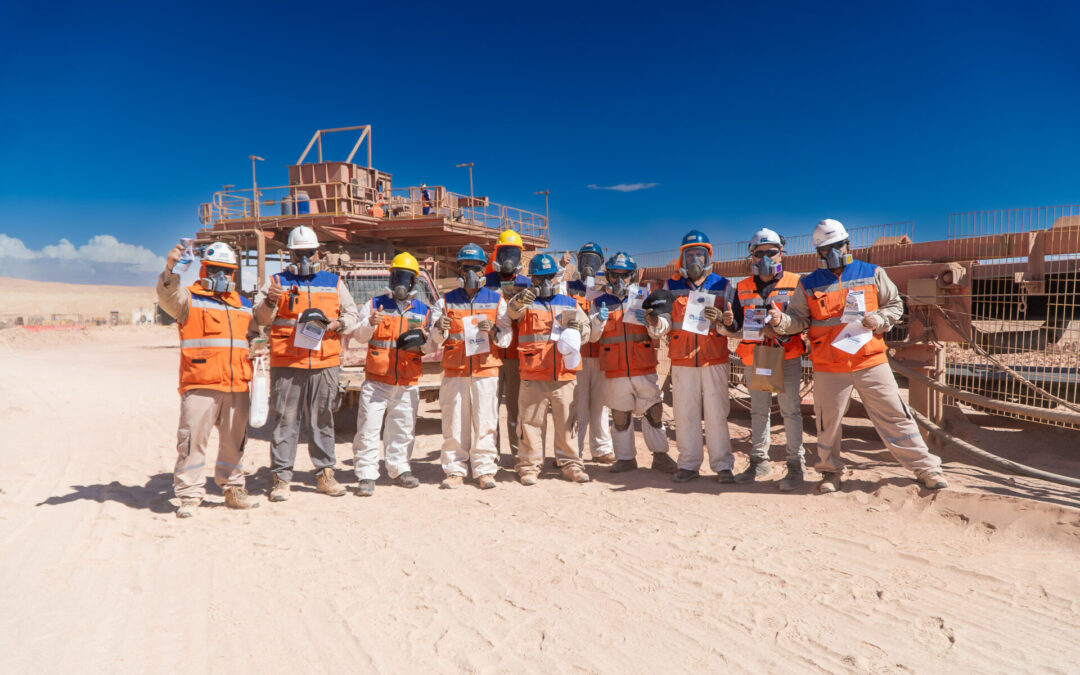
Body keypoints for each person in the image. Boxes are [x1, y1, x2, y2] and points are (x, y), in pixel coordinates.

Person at [767, 219, 948, 493]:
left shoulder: (872, 272)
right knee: (828, 423)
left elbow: (895, 304)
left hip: (870, 361)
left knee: (896, 416)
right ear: (819, 252)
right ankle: (831, 473)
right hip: (829, 365)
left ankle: (927, 469)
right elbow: (797, 321)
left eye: (837, 246)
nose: (833, 253)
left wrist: (880, 319)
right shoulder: (808, 285)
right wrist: (781, 320)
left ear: (847, 244)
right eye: (826, 249)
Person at [253, 225, 359, 502]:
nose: (304, 258)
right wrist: (271, 300)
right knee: (285, 421)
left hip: (325, 363)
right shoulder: (276, 282)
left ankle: (325, 474)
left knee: (322, 419)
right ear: (289, 253)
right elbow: (261, 318)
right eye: (299, 253)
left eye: (309, 253)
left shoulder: (334, 282)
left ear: (317, 253)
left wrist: (338, 324)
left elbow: (352, 314)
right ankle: (282, 478)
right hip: (288, 363)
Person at [157, 241, 259, 518]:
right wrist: (171, 269)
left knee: (234, 440)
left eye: (226, 271)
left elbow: (258, 327)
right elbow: (166, 295)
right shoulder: (188, 299)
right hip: (200, 382)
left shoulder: (244, 304)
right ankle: (189, 495)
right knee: (192, 441)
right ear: (204, 268)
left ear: (234, 274)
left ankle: (233, 488)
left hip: (237, 383)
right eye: (215, 269)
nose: (221, 277)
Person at [648, 230, 740, 483]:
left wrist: (723, 321)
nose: (695, 259)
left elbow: (734, 328)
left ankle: (723, 465)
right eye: (690, 254)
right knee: (685, 414)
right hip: (682, 360)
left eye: (700, 253)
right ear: (682, 258)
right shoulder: (671, 286)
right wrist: (656, 322)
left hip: (714, 359)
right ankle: (688, 464)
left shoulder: (723, 286)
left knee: (716, 414)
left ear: (708, 256)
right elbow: (665, 323)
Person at [350, 252, 437, 496]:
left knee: (403, 427)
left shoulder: (423, 311)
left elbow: (429, 348)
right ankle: (366, 475)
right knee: (368, 428)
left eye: (406, 277)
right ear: (391, 277)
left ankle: (399, 469)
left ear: (413, 281)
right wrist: (370, 322)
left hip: (407, 380)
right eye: (397, 275)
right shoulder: (374, 305)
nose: (400, 281)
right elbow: (358, 336)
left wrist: (429, 339)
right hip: (377, 380)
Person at [431, 244, 512, 489]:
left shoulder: (497, 300)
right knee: (454, 422)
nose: (470, 273)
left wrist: (495, 331)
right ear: (459, 269)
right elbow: (435, 338)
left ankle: (485, 470)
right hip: (455, 371)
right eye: (466, 268)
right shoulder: (445, 301)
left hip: (485, 371)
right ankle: (455, 471)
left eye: (475, 268)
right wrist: (438, 327)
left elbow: (507, 335)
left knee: (485, 421)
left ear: (483, 271)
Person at [506, 253, 592, 485]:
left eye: (548, 277)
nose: (544, 283)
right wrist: (519, 299)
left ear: (555, 278)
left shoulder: (569, 303)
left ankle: (571, 464)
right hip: (533, 374)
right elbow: (511, 314)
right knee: (530, 424)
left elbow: (587, 331)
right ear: (532, 279)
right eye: (538, 278)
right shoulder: (524, 302)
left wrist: (577, 332)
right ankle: (529, 466)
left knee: (567, 424)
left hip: (563, 375)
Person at [732, 228, 807, 490]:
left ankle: (796, 465)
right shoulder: (741, 287)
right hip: (755, 356)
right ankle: (758, 461)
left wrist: (781, 323)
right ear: (751, 255)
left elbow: (804, 321)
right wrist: (726, 323)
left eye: (771, 252)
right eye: (759, 253)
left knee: (790, 411)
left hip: (786, 355)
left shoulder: (797, 282)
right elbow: (736, 325)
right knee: (759, 411)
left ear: (781, 253)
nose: (765, 257)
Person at [589, 252, 678, 473]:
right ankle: (626, 458)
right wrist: (598, 320)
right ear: (608, 276)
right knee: (620, 415)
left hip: (643, 366)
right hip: (615, 369)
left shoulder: (645, 298)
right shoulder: (598, 303)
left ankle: (660, 455)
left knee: (654, 412)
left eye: (625, 275)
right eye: (615, 275)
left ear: (632, 276)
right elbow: (592, 337)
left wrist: (653, 320)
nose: (619, 280)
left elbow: (660, 330)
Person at [566, 242, 616, 464]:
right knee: (577, 406)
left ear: (600, 264)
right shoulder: (567, 288)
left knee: (601, 405)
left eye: (593, 261)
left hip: (600, 355)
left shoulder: (605, 292)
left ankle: (601, 449)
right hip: (577, 356)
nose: (589, 265)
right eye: (585, 260)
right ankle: (573, 451)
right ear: (579, 261)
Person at [486, 230, 531, 461]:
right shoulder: (486, 282)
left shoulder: (526, 284)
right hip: (490, 354)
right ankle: (491, 455)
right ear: (497, 253)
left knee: (515, 409)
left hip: (515, 355)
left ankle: (516, 455)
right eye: (504, 252)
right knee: (490, 409)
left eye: (513, 253)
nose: (508, 259)